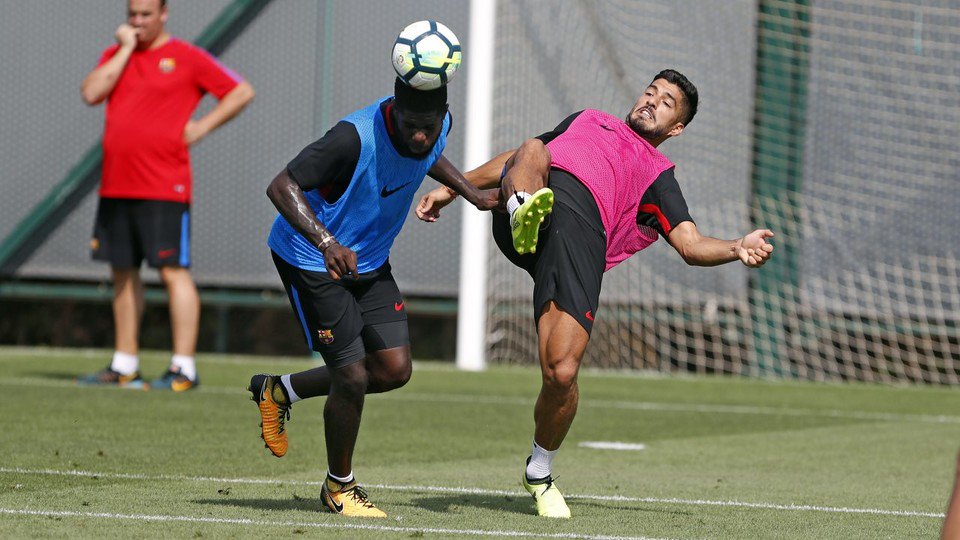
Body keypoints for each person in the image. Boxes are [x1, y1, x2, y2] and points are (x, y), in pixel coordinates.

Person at [416, 69, 775, 518]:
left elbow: (689, 244)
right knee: (531, 148)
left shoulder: (658, 176)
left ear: (677, 128)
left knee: (561, 373)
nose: (651, 101)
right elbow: (520, 158)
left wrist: (736, 248)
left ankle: (539, 470)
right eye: (650, 92)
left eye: (665, 103)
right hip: (537, 200)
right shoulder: (588, 119)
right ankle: (522, 209)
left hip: (579, 242)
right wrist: (454, 187)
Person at [248, 77, 499, 518]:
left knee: (393, 369)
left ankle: (278, 390)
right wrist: (327, 242)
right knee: (351, 376)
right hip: (312, 259)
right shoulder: (353, 136)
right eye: (411, 126)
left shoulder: (437, 126)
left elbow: (428, 155)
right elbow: (281, 185)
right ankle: (338, 487)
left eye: (430, 125)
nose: (421, 135)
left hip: (368, 261)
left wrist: (472, 193)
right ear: (393, 112)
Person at [77, 0, 255, 391]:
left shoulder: (186, 57)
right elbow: (91, 92)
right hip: (116, 184)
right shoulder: (117, 54)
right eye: (132, 15)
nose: (138, 22)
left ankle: (183, 368)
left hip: (164, 186)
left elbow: (241, 91)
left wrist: (202, 127)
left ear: (163, 14)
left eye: (145, 14)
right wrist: (124, 48)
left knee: (173, 272)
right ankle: (124, 364)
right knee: (121, 271)